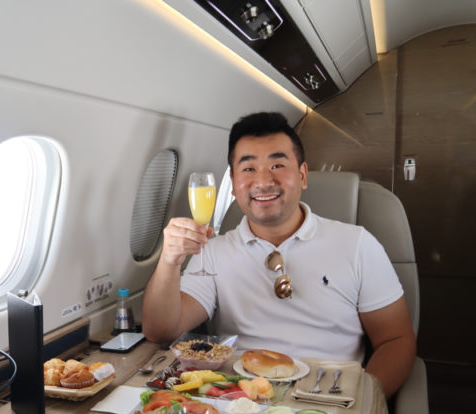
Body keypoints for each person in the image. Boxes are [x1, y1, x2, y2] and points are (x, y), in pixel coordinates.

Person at [142, 112, 416, 398]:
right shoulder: (213, 251)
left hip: (330, 395)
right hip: (239, 399)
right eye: (248, 169)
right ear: (234, 184)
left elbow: (396, 340)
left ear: (302, 175)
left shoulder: (357, 244)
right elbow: (162, 330)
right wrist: (170, 260)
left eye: (277, 164)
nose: (263, 181)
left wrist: (367, 404)